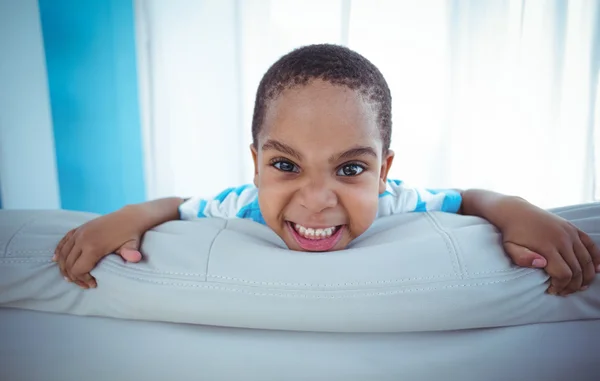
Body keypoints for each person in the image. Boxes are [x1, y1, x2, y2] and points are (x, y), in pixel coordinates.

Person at [53, 44, 600, 297]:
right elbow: (178, 205)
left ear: (385, 173)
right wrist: (126, 216)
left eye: (351, 168)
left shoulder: (399, 201)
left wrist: (519, 211)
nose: (316, 200)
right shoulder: (242, 203)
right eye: (285, 165)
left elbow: (465, 196)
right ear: (256, 165)